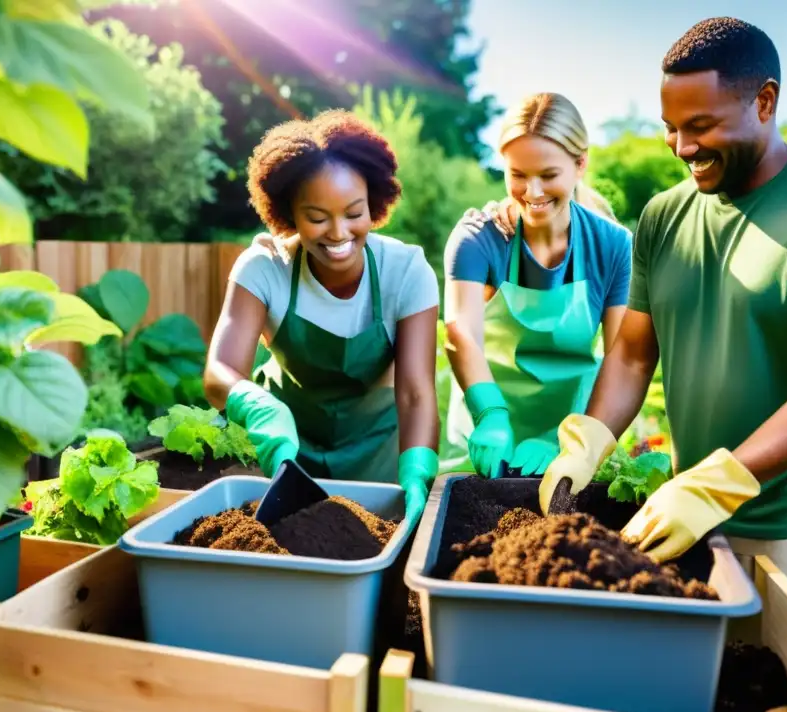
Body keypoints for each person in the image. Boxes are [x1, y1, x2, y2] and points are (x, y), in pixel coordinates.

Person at [536, 17, 787, 633]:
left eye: (701, 127)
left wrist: (721, 482)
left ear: (764, 102)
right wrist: (591, 437)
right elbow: (631, 355)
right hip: (688, 510)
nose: (682, 147)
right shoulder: (663, 217)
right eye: (671, 129)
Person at [203, 109, 441, 519]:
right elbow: (220, 371)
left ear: (374, 204)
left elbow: (416, 391)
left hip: (378, 454)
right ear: (288, 213)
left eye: (354, 213)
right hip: (283, 450)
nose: (337, 233)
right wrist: (259, 409)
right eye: (316, 217)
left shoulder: (406, 271)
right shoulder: (265, 268)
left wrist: (418, 468)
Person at [439, 92, 633, 479]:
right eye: (518, 175)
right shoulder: (479, 240)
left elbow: (622, 360)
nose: (532, 191)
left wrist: (576, 440)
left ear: (580, 165)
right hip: (485, 435)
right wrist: (491, 415)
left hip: (572, 434)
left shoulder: (613, 245)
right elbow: (462, 333)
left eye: (547, 175)